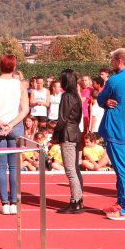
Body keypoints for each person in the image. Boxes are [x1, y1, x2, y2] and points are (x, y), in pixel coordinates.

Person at [0, 54, 30, 215]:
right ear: (14, 67)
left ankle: (4, 203)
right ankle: (14, 203)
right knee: (14, 166)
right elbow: (25, 110)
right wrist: (11, 124)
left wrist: (0, 123)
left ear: (0, 66)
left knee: (1, 166)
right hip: (15, 128)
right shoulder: (20, 85)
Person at [97, 48, 125, 221]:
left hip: (117, 129)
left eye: (113, 61)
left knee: (124, 171)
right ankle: (120, 203)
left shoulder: (114, 80)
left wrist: (105, 101)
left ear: (119, 61)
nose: (112, 64)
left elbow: (101, 98)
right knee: (121, 170)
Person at [53, 69, 84, 213]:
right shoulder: (76, 96)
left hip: (68, 134)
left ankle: (75, 201)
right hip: (75, 132)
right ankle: (79, 199)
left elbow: (62, 119)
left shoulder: (66, 96)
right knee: (75, 169)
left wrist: (54, 136)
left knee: (70, 170)